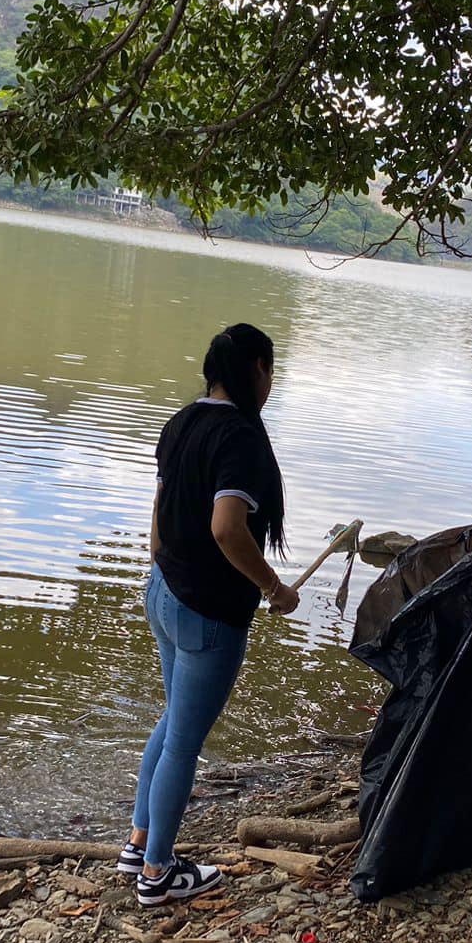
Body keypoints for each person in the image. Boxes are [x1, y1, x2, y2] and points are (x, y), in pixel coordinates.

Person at [119, 324, 299, 906]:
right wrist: (273, 587)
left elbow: (159, 507)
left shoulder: (181, 422)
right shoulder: (239, 438)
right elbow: (227, 526)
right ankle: (157, 874)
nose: (270, 384)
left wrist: (162, 563)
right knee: (184, 740)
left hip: (164, 590)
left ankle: (140, 839)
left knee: (173, 721)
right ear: (255, 370)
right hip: (207, 611)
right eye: (269, 371)